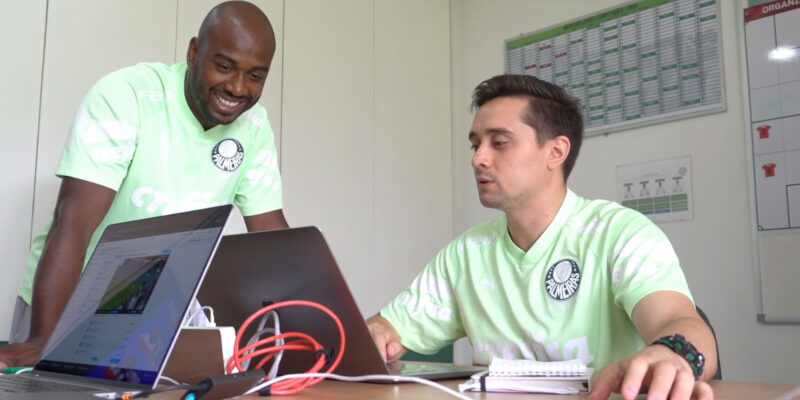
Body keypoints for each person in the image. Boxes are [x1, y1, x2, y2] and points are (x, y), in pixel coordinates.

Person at [367, 74, 717, 400]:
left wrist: (671, 353)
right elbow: (388, 328)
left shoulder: (620, 233)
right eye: (476, 145)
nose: (478, 159)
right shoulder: (466, 254)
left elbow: (681, 322)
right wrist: (376, 332)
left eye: (499, 142)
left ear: (556, 152)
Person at [0, 0, 288, 368]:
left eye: (255, 76)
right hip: (63, 306)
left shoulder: (255, 127)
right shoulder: (127, 96)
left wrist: (312, 329)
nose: (237, 87)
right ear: (194, 52)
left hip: (152, 315)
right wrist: (44, 339)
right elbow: (74, 221)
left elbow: (269, 238)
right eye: (224, 66)